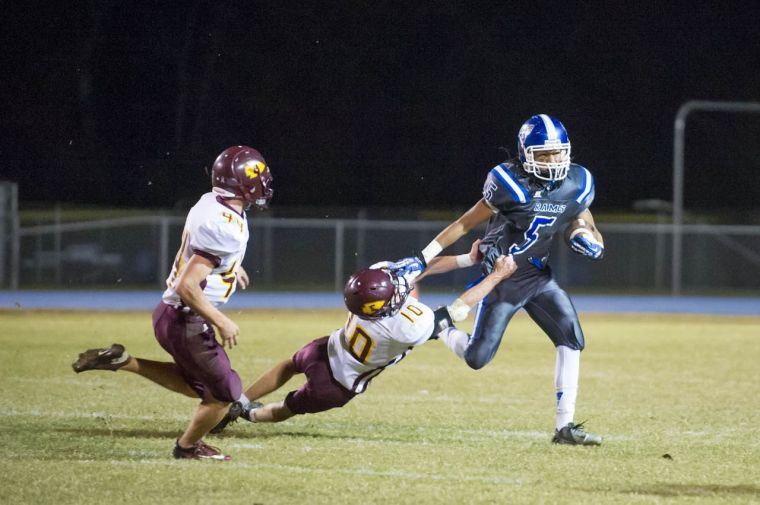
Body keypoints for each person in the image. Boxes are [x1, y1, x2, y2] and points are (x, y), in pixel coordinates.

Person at [399, 114, 605, 446]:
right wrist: (423, 256)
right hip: (502, 279)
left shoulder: (578, 182)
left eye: (558, 153)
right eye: (544, 154)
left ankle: (564, 427)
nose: (553, 161)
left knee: (572, 339)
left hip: (538, 276)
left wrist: (589, 239)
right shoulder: (509, 182)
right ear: (526, 154)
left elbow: (584, 220)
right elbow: (464, 224)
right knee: (477, 358)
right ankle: (442, 329)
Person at [71, 145, 274, 460]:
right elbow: (187, 285)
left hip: (170, 316)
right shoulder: (223, 226)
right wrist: (221, 320)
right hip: (187, 320)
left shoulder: (212, 202)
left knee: (200, 386)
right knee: (225, 394)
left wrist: (230, 266)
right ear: (243, 181)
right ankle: (188, 447)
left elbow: (200, 254)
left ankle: (124, 361)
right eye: (259, 176)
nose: (264, 183)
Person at [208, 248, 517, 432]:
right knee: (289, 407)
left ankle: (239, 402)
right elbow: (458, 309)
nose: (401, 289)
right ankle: (248, 414)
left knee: (289, 364)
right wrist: (496, 275)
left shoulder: (365, 292)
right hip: (338, 385)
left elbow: (420, 269)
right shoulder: (408, 326)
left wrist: (468, 258)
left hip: (325, 348)